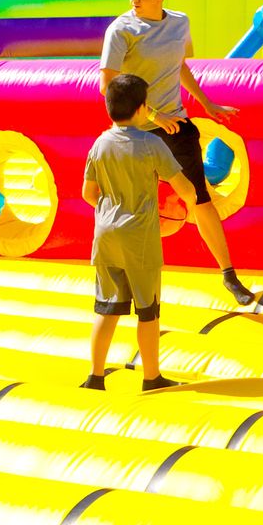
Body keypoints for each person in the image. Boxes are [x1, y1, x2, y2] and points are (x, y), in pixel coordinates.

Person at [99, 0, 249, 305]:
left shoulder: (179, 23)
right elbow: (107, 86)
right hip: (135, 133)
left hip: (176, 126)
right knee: (135, 209)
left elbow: (178, 66)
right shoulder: (121, 31)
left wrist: (207, 103)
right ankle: (126, 282)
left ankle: (229, 275)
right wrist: (152, 113)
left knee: (201, 198)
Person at [80, 73, 190, 393]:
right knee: (148, 310)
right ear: (143, 109)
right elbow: (183, 188)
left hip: (105, 234)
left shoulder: (99, 143)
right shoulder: (151, 143)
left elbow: (88, 193)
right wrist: (192, 204)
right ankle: (152, 377)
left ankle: (95, 377)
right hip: (139, 237)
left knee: (106, 307)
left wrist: (111, 207)